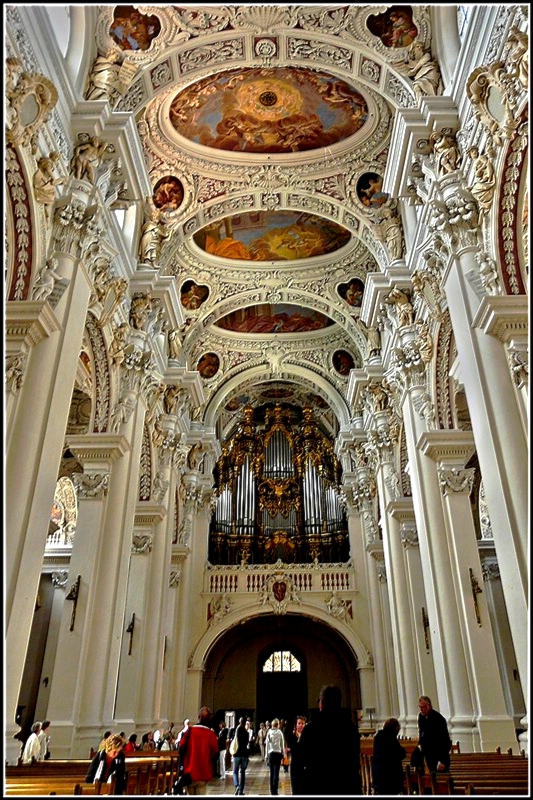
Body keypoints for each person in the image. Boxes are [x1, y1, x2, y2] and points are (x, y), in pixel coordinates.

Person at [298, 684, 362, 795]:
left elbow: (301, 760)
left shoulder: (311, 728)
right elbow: (353, 757)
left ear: (321, 702)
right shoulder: (350, 728)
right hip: (346, 786)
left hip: (318, 786)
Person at [178, 706, 219, 795]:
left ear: (198, 717)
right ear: (209, 719)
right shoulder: (211, 734)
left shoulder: (189, 731)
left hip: (190, 773)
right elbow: (215, 754)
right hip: (203, 773)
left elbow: (180, 748)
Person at [415, 695, 452, 773]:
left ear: (429, 706)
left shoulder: (438, 719)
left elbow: (444, 741)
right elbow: (421, 733)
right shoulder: (421, 717)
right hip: (427, 755)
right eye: (420, 707)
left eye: (423, 707)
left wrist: (441, 760)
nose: (421, 709)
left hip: (438, 754)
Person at [372, 717, 406, 795]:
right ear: (396, 728)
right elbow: (401, 753)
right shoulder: (391, 738)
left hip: (379, 774)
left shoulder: (378, 737)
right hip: (390, 777)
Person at [285, 715, 307, 795]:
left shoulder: (308, 737)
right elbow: (291, 748)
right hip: (295, 767)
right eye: (299, 723)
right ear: (296, 725)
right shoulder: (292, 737)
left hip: (305, 768)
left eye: (303, 723)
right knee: (295, 791)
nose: (301, 725)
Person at [264, 717, 285, 795]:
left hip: (271, 754)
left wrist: (266, 756)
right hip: (278, 754)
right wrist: (283, 755)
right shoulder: (280, 732)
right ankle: (275, 790)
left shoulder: (269, 732)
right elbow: (282, 745)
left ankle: (271, 790)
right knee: (276, 773)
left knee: (271, 773)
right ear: (278, 724)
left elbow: (267, 745)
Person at [231, 716, 250, 796]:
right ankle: (241, 790)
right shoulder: (247, 733)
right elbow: (246, 743)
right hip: (244, 754)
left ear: (240, 722)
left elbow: (236, 741)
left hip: (237, 754)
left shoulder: (238, 730)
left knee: (235, 772)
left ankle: (237, 786)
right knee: (242, 773)